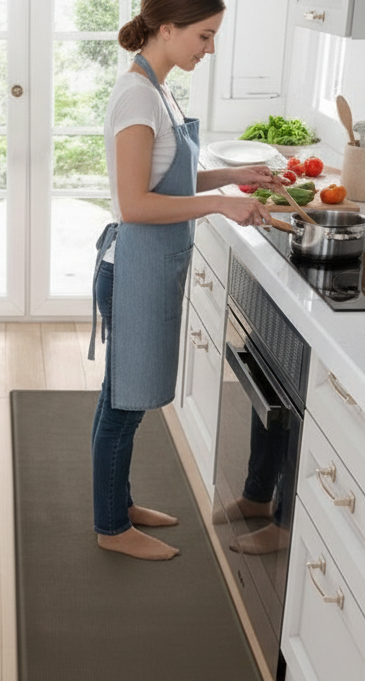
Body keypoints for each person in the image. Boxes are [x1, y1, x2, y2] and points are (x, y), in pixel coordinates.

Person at [89, 0, 280, 561]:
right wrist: (220, 207)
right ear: (167, 29)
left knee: (123, 399)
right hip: (132, 270)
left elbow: (166, 175)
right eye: (204, 35)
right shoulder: (137, 96)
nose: (210, 48)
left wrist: (231, 178)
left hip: (149, 266)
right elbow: (136, 203)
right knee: (123, 406)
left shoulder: (160, 89)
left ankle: (117, 504)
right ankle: (110, 526)